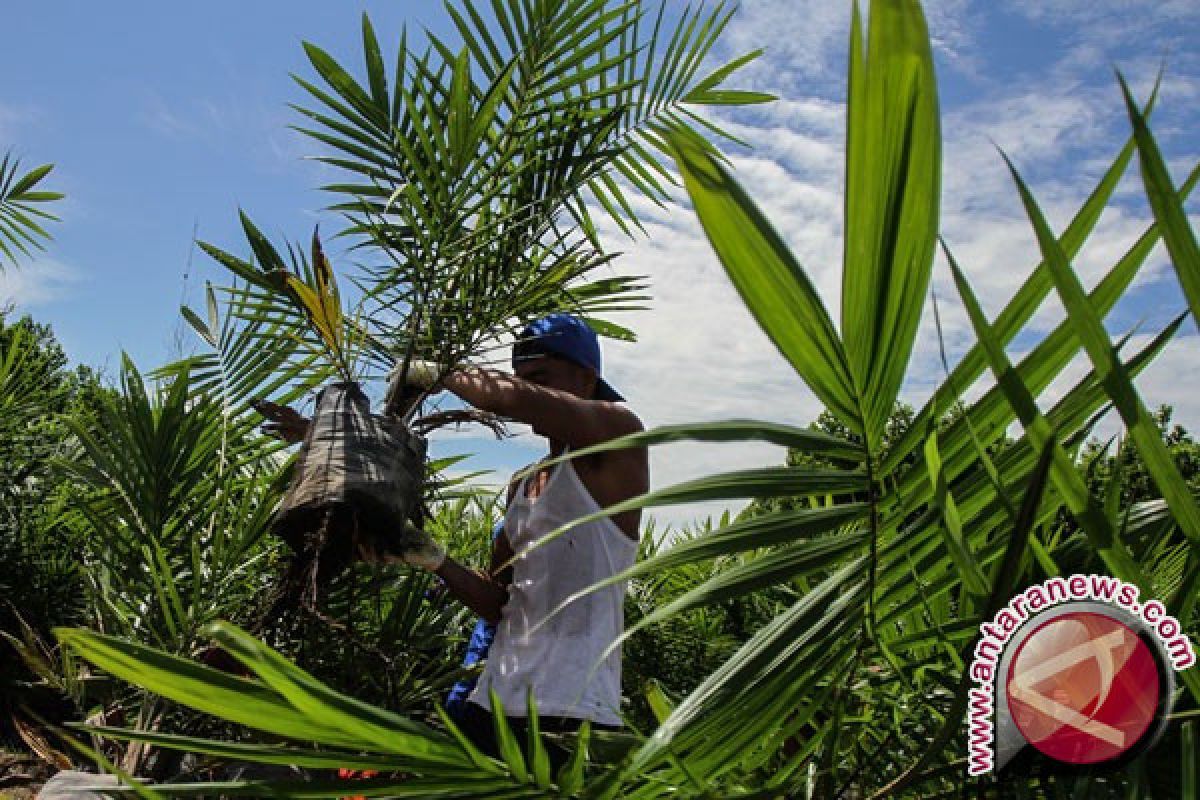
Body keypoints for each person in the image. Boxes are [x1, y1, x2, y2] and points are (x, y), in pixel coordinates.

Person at [258, 313, 648, 770]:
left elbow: (517, 401)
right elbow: (499, 603)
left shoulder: (619, 439)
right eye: (523, 378)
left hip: (571, 712)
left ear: (587, 377)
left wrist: (434, 372)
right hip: (493, 705)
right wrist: (432, 558)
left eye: (541, 377)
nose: (528, 388)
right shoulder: (523, 485)